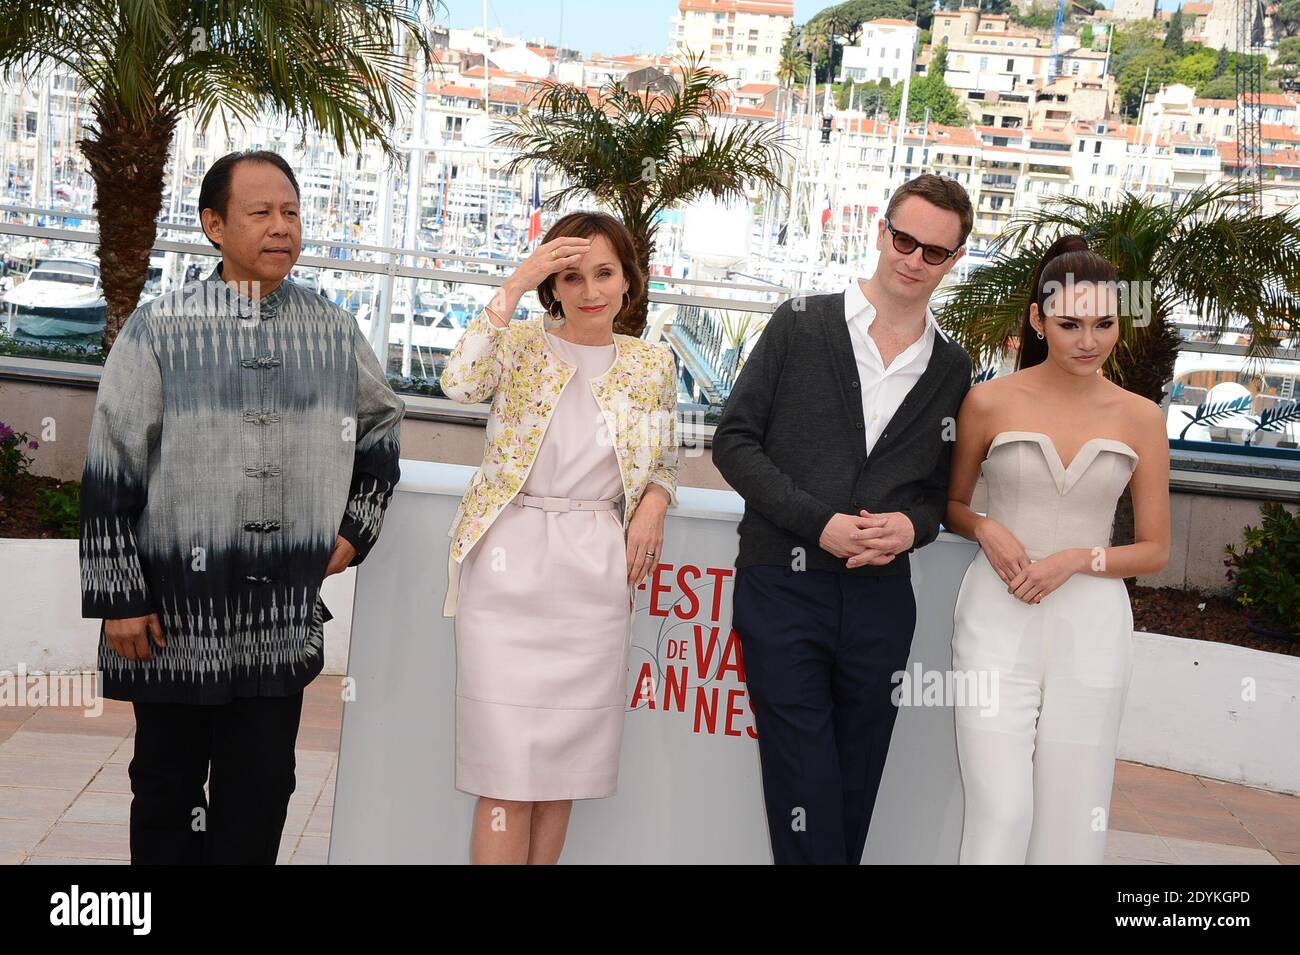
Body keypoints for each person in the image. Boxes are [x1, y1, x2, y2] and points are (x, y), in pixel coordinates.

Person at [79, 149, 404, 864]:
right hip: (171, 616)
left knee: (262, 790)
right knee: (166, 792)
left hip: (275, 623)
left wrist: (357, 528)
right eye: (260, 213)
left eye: (290, 212)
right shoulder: (159, 329)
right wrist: (119, 597)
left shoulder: (333, 331)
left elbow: (381, 427)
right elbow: (111, 464)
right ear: (214, 225)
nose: (281, 227)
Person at [712, 174, 974, 864]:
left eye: (935, 251)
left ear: (954, 260)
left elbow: (937, 493)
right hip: (782, 585)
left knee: (853, 786)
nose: (914, 259)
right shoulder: (801, 321)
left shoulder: (951, 366)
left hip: (879, 603)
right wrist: (816, 521)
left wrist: (910, 529)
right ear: (881, 231)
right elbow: (733, 442)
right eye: (905, 239)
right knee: (804, 781)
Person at [441, 210, 679, 865]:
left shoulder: (653, 364)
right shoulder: (519, 344)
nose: (589, 290)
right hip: (508, 569)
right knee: (504, 771)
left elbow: (663, 458)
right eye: (570, 276)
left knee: (559, 773)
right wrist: (516, 282)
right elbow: (459, 383)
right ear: (553, 285)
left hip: (594, 574)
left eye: (605, 273)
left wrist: (655, 502)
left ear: (629, 282)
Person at [944, 235, 1171, 864]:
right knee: (1001, 807)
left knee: (1075, 812)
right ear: (1039, 320)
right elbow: (951, 504)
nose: (1087, 340)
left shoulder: (1141, 417)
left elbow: (1155, 550)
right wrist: (985, 526)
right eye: (1069, 323)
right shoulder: (989, 400)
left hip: (1093, 626)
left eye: (1104, 323)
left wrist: (1079, 558)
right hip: (996, 613)